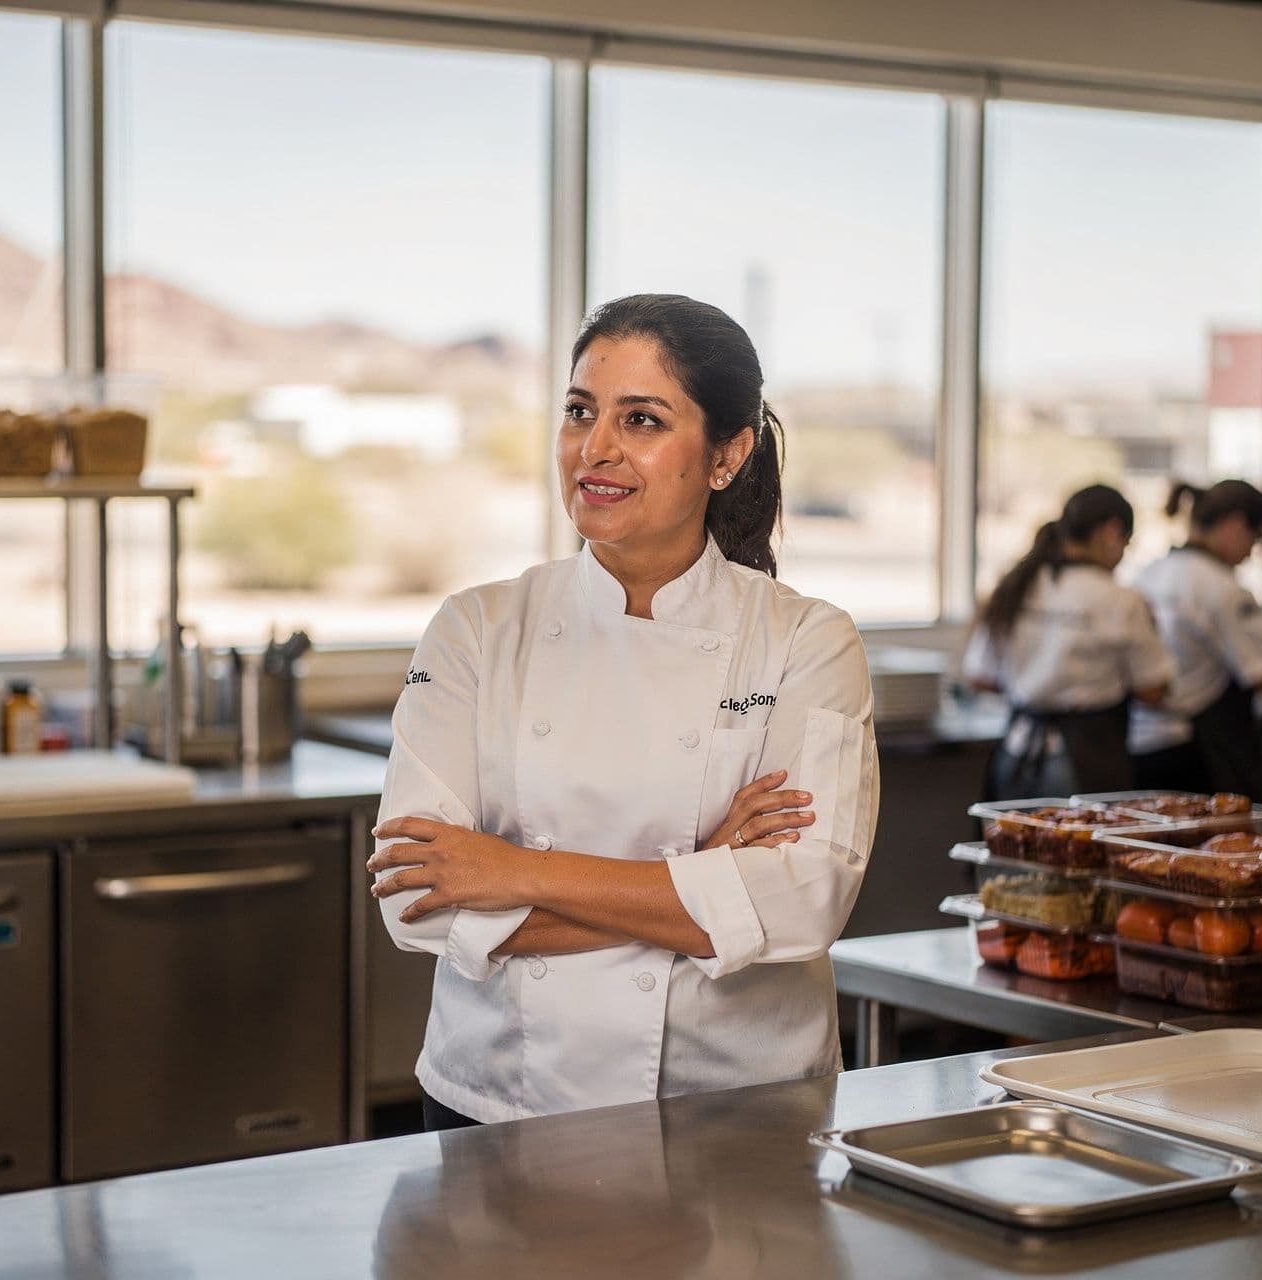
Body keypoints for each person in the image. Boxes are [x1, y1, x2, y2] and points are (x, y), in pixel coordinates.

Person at [367, 294, 880, 1129]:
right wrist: (705, 875)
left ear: (727, 455)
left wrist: (513, 869)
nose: (594, 449)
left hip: (734, 1108)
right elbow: (415, 899)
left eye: (641, 419)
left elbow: (800, 902)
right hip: (498, 1103)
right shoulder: (476, 629)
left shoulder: (806, 642)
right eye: (579, 412)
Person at [963, 485, 1173, 799]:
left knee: (1012, 846)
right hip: (1085, 760)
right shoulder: (1119, 599)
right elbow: (1154, 689)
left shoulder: (1019, 584)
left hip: (1016, 751)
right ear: (1112, 532)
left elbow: (979, 676)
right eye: (1127, 544)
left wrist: (1035, 687)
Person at [1129, 480, 1262, 801]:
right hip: (1195, 752)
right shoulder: (1223, 589)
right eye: (1256, 539)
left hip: (1141, 743)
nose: (1251, 552)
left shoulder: (1151, 573)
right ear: (1234, 524)